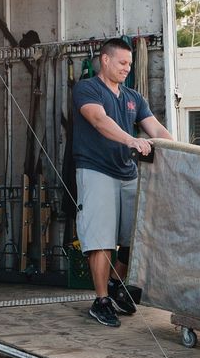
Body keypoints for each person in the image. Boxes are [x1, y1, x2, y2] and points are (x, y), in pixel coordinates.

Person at [72, 38, 173, 327]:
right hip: (96, 171)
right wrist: (131, 139)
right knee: (101, 240)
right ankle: (101, 300)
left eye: (130, 64)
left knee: (133, 240)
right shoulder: (87, 88)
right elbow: (99, 120)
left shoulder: (133, 97)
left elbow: (155, 128)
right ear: (105, 60)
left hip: (127, 174)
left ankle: (116, 284)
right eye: (122, 63)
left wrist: (183, 151)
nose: (127, 68)